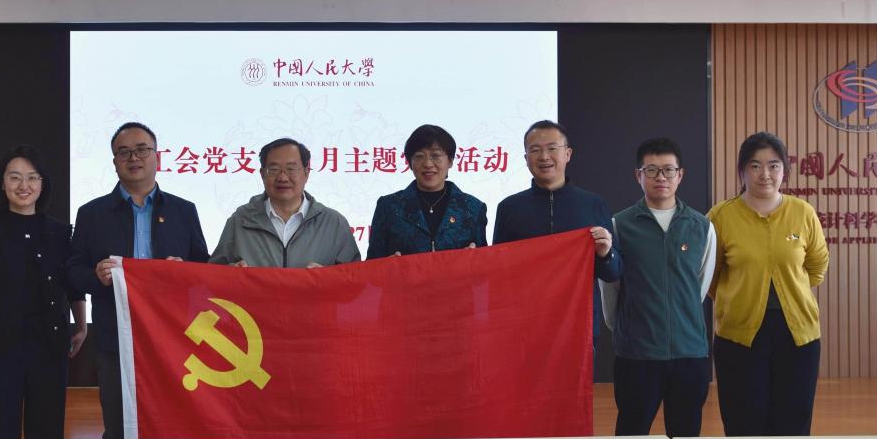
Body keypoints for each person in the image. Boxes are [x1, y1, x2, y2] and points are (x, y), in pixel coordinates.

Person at [66, 121, 210, 439]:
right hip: (114, 338)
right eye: (124, 152)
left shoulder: (184, 211)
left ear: (157, 157)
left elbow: (205, 271)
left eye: (142, 150)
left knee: (172, 424)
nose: (134, 158)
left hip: (173, 338)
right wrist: (96, 277)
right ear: (114, 162)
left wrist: (183, 272)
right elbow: (73, 272)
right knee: (119, 428)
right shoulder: (92, 213)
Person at [0, 146, 86, 439]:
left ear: (43, 184)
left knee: (47, 435)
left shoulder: (60, 233)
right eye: (14, 177)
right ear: (2, 183)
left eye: (32, 177)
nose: (23, 186)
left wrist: (81, 325)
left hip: (49, 347)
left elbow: (73, 284)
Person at [708, 131, 829, 436]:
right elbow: (709, 275)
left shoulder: (802, 212)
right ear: (742, 171)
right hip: (740, 335)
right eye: (755, 166)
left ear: (784, 170)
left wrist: (793, 287)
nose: (765, 174)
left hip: (797, 335)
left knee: (793, 423)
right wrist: (734, 299)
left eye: (774, 166)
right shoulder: (721, 216)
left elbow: (817, 267)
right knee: (743, 423)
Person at [600, 138, 716, 437]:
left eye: (668, 170)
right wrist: (625, 327)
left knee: (686, 438)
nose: (661, 177)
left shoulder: (702, 226)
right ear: (638, 175)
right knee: (631, 437)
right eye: (651, 170)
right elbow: (610, 287)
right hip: (637, 353)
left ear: (680, 175)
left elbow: (699, 286)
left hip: (689, 352)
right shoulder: (619, 225)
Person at [493, 120, 621, 346]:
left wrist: (605, 253)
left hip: (578, 327)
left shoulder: (593, 205)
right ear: (525, 158)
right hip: (524, 330)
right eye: (535, 150)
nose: (544, 157)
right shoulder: (509, 208)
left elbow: (612, 273)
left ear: (567, 154)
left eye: (552, 148)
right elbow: (498, 274)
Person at [211, 137, 360, 268]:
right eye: (274, 169)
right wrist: (231, 272)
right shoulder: (240, 220)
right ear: (262, 174)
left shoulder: (333, 223)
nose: (282, 177)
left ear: (306, 173)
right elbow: (213, 275)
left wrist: (327, 279)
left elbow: (355, 280)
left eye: (291, 169)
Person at [367, 124, 487, 258]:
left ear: (450, 161)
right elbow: (372, 264)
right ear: (410, 163)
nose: (428, 164)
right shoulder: (389, 207)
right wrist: (385, 266)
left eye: (436, 155)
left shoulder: (473, 208)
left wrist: (475, 259)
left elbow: (487, 264)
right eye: (419, 156)